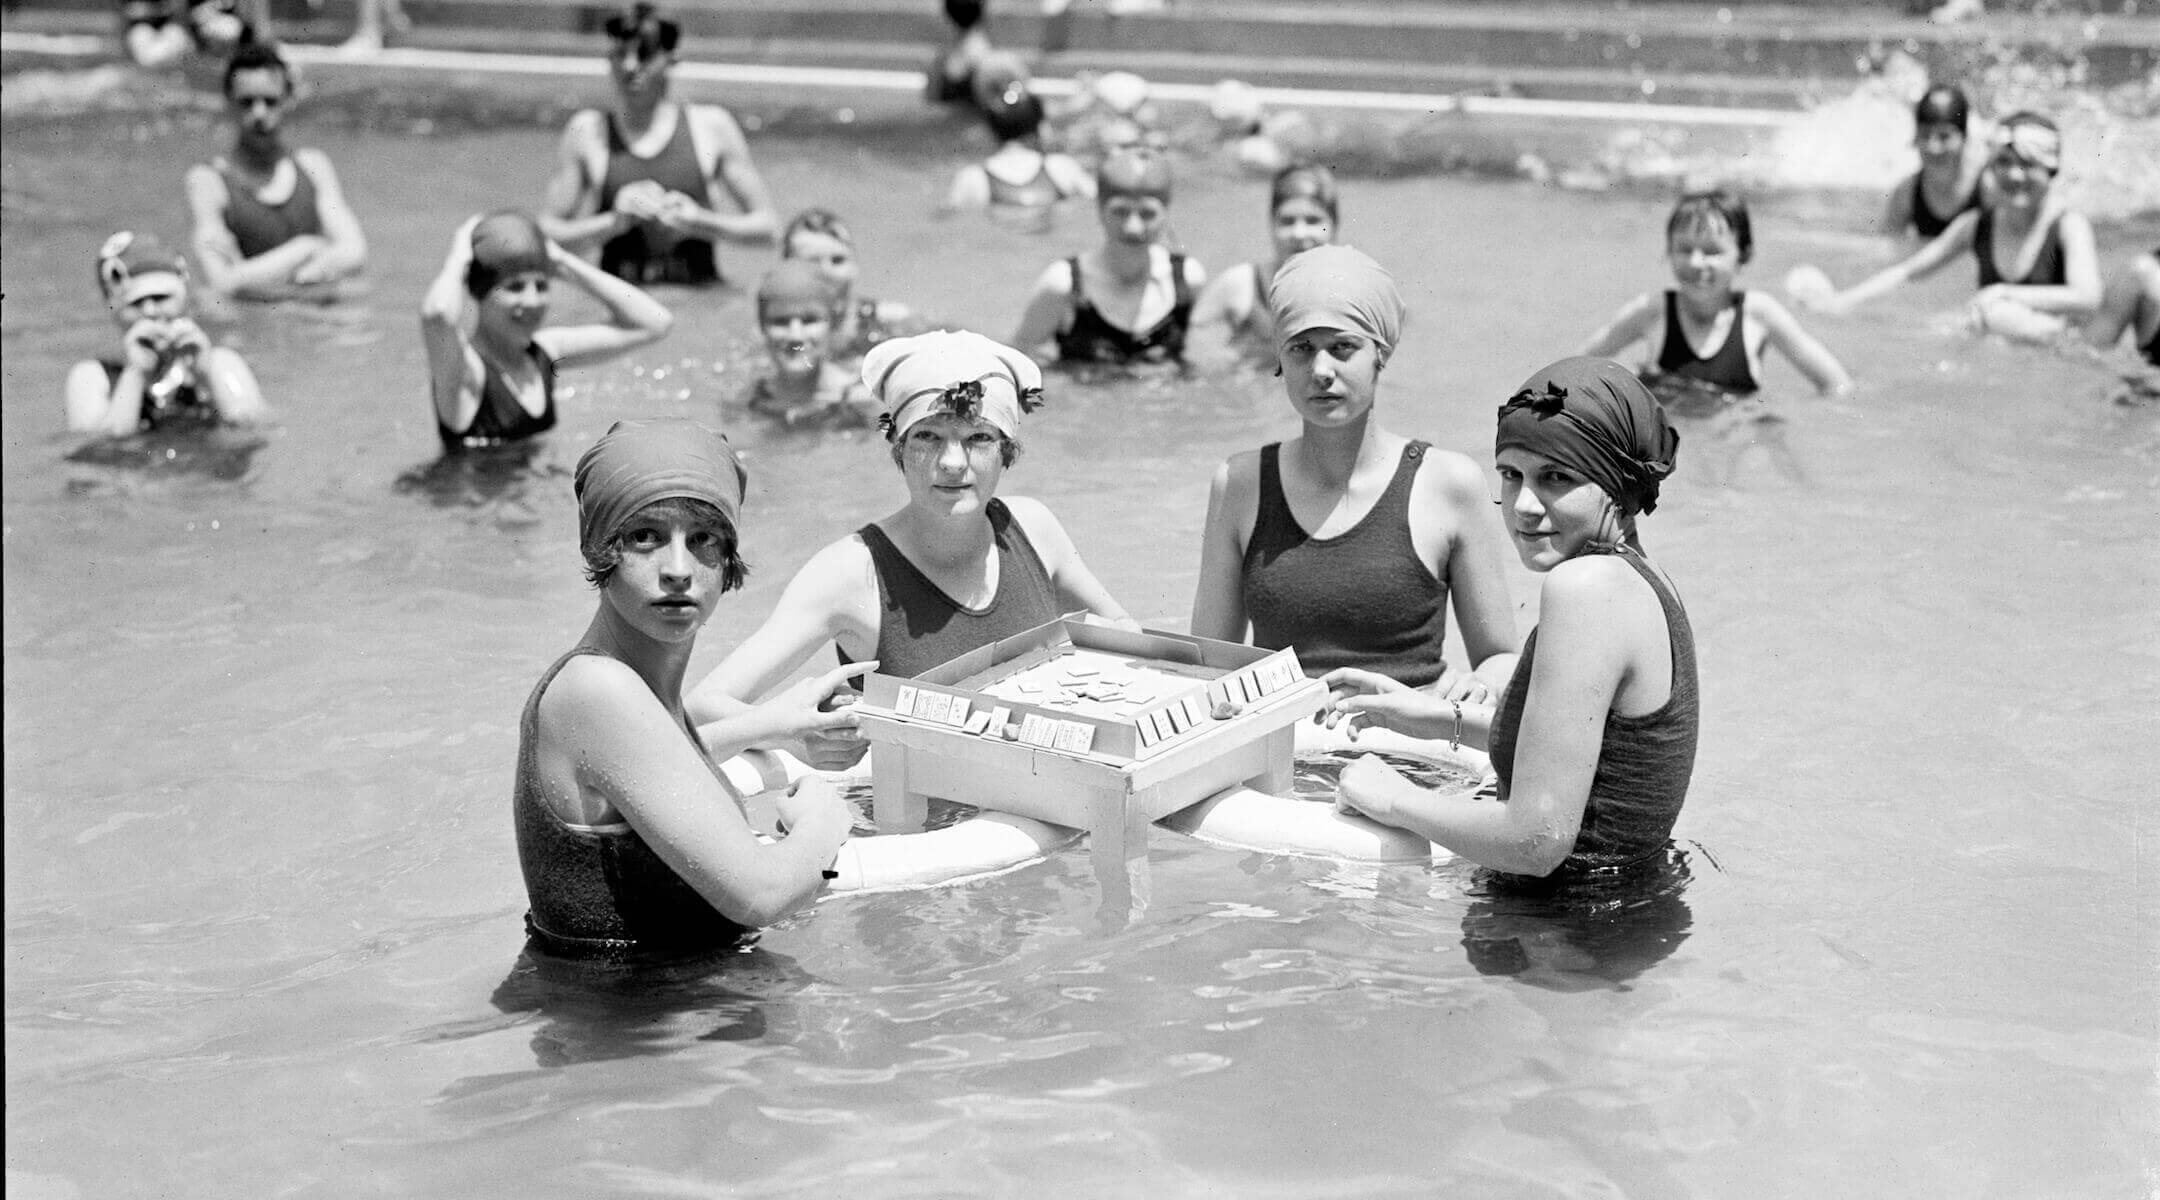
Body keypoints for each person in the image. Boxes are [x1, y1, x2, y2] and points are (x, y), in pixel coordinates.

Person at [686, 330, 1136, 766]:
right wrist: (789, 735)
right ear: (898, 448)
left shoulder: (1034, 529)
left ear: (1007, 451)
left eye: (978, 438)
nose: (953, 462)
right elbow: (704, 703)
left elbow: (1121, 627)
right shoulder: (851, 573)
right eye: (928, 436)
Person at [1328, 356, 1698, 881]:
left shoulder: (1584, 589)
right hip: (1621, 925)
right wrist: (1433, 716)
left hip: (1560, 942)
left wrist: (1394, 799)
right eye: (1511, 474)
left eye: (1556, 477)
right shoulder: (1644, 579)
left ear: (1617, 484)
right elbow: (1600, 760)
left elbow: (1535, 841)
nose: (1524, 504)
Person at [515, 418, 870, 959]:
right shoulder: (598, 690)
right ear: (599, 550)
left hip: (650, 1015)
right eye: (645, 537)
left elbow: (658, 768)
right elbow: (762, 895)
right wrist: (826, 823)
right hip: (646, 1033)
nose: (678, 569)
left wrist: (774, 725)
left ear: (727, 558)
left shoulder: (634, 686)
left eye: (702, 538)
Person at [1190, 245, 1517, 698]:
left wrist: (1478, 688)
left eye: (1343, 347)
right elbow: (1208, 663)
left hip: (1414, 755)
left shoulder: (1449, 484)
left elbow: (1500, 657)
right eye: (1301, 349)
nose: (1321, 370)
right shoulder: (1240, 484)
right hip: (1289, 750)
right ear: (1279, 361)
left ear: (1380, 354)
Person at [1800, 113, 2101, 343]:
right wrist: (1841, 302)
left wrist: (2003, 293)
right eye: (2004, 163)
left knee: (1996, 315)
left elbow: (2088, 298)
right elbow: (1907, 272)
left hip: (2061, 344)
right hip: (2003, 345)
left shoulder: (2068, 227)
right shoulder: (1976, 225)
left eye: (2028, 165)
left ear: (2051, 169)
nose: (2015, 175)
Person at [538, 3, 778, 286]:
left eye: (644, 54)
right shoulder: (587, 131)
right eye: (619, 54)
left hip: (698, 300)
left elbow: (768, 230)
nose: (629, 66)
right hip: (623, 307)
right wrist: (613, 223)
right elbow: (544, 236)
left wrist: (699, 222)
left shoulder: (712, 127)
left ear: (671, 59)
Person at [421, 211, 674, 453]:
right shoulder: (466, 372)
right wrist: (458, 256)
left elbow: (655, 322)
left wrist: (562, 262)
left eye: (541, 286)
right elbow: (438, 313)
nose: (533, 301)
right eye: (515, 287)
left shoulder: (545, 351)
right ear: (479, 293)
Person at [1581, 189, 1853, 406]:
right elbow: (1579, 367)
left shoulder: (1759, 314)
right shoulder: (1653, 310)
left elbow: (1836, 383)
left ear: (1743, 257)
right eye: (1684, 249)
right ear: (1669, 252)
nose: (1697, 262)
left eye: (1712, 251)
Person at [185, 41, 368, 302]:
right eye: (247, 102)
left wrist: (254, 277)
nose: (259, 113)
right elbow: (220, 282)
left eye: (270, 101)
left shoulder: (313, 166)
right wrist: (306, 249)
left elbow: (355, 252)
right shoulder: (208, 181)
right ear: (228, 103)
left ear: (289, 100)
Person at [1010, 147, 1206, 369]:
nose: (1133, 227)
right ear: (1100, 210)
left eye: (1147, 213)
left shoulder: (1187, 280)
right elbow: (1019, 361)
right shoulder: (1064, 286)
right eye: (1120, 211)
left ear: (1166, 213)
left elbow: (1205, 357)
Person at [66, 230, 268, 436]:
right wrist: (136, 373)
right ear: (114, 311)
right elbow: (96, 451)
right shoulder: (92, 377)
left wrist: (205, 376)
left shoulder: (220, 363)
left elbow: (255, 430)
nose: (150, 311)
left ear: (184, 298)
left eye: (160, 297)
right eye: (135, 303)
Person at [1188, 162, 1340, 371]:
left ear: (1333, 226)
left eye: (1313, 220)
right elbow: (1193, 354)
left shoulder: (1354, 295)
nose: (1299, 233)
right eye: (1287, 221)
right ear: (1272, 224)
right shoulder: (1241, 285)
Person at [745, 259, 879, 429]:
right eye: (780, 322)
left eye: (809, 321)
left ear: (834, 324)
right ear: (762, 328)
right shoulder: (749, 400)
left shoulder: (864, 401)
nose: (796, 336)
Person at [943, 81, 1093, 228]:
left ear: (991, 131)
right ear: (1040, 128)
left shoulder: (973, 177)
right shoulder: (1061, 167)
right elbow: (1098, 202)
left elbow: (947, 219)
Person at [779, 209, 914, 361]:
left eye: (838, 260)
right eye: (813, 262)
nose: (827, 271)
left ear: (854, 266)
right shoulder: (776, 334)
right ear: (786, 273)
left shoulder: (892, 321)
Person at [1884, 84, 1985, 239]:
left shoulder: (1986, 187)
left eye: (1944, 136)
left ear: (1964, 137)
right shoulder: (1906, 193)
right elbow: (1887, 247)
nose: (1933, 147)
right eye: (1925, 135)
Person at [120, 0, 258, 70]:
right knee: (149, 57)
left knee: (229, 30)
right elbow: (130, 12)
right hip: (158, 28)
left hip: (192, 29)